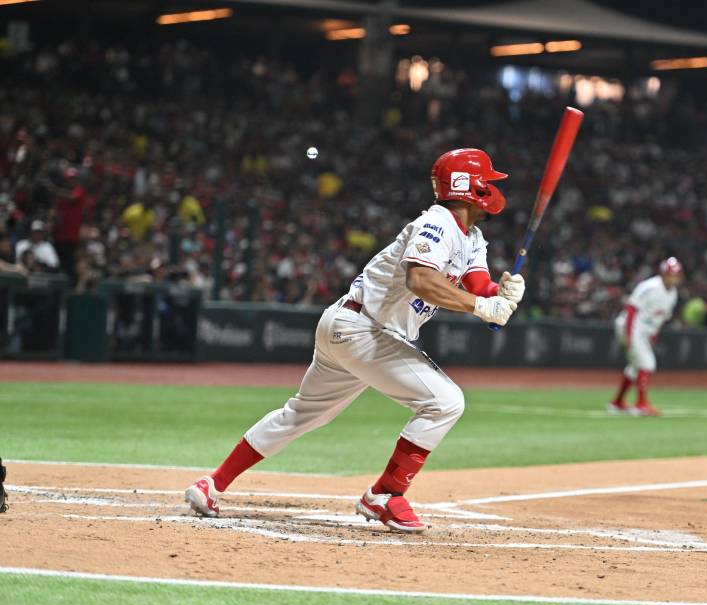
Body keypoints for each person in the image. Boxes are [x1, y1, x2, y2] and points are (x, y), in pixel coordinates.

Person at [184, 148, 524, 532]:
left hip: (349, 327)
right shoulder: (438, 222)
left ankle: (212, 484)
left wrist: (501, 293)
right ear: (469, 187)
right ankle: (385, 495)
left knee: (300, 414)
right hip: (365, 331)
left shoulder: (472, 237)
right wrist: (482, 307)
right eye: (486, 181)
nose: (491, 187)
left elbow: (479, 286)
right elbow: (421, 280)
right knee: (445, 402)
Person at [608, 257, 683, 417]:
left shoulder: (673, 294)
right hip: (630, 325)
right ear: (663, 274)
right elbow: (631, 309)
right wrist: (629, 334)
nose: (673, 279)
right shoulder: (650, 287)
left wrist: (653, 336)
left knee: (635, 367)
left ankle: (617, 402)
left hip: (643, 330)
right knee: (647, 363)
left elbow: (660, 319)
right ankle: (641, 405)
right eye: (670, 275)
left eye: (676, 275)